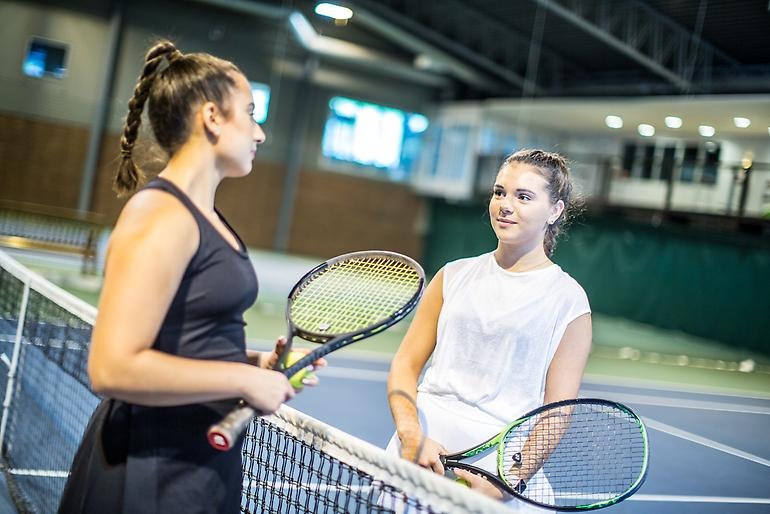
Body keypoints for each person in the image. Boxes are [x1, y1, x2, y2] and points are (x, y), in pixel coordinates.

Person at [58, 40, 320, 514]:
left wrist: (253, 363)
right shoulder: (161, 214)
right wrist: (241, 380)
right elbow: (111, 367)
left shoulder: (204, 215)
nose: (260, 133)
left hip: (194, 466)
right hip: (148, 471)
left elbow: (180, 341)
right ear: (212, 117)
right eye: (251, 113)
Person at [385, 149, 592, 511]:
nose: (505, 205)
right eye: (499, 192)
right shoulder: (452, 275)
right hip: (420, 452)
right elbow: (404, 365)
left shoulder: (569, 301)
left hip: (497, 471)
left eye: (523, 196)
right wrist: (411, 434)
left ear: (555, 210)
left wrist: (506, 483)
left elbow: (556, 412)